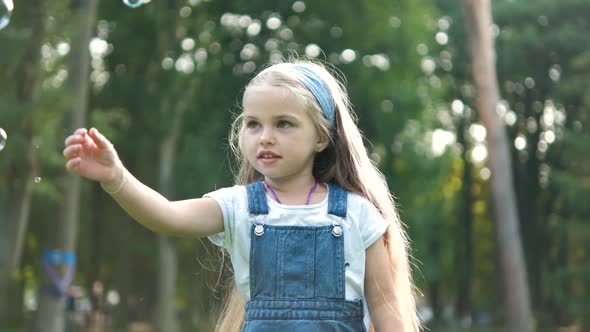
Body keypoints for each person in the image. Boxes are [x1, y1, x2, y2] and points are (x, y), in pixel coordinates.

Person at [63, 60, 421, 332]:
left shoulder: (358, 215)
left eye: (283, 123)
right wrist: (116, 177)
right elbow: (167, 216)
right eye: (253, 124)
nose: (264, 137)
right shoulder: (239, 207)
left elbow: (386, 311)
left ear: (321, 138)